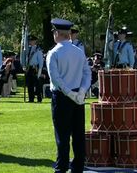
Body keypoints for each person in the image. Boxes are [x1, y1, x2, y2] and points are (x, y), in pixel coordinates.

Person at [46, 18, 91, 173]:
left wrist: (70, 93)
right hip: (78, 96)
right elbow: (87, 73)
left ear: (57, 33)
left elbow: (55, 79)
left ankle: (62, 166)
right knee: (78, 134)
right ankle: (78, 166)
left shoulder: (54, 53)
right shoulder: (78, 52)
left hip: (62, 96)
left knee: (62, 134)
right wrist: (82, 91)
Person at [24, 35, 44, 102]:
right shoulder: (28, 49)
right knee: (30, 84)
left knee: (37, 84)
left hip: (35, 68)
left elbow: (41, 61)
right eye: (30, 40)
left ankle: (39, 98)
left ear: (35, 41)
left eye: (32, 40)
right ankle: (31, 99)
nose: (31, 42)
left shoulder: (38, 49)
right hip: (29, 68)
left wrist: (39, 71)